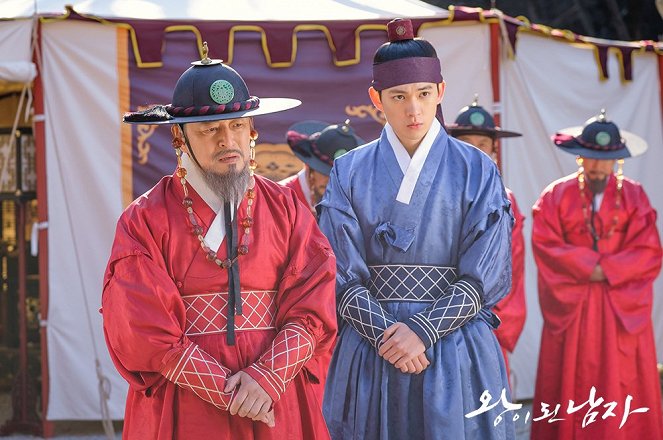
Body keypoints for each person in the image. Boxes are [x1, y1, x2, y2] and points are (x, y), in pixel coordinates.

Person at [101, 44, 338, 440]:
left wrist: (266, 378)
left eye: (237, 126)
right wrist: (230, 393)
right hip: (188, 403)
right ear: (179, 136)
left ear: (253, 131)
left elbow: (315, 304)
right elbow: (141, 325)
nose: (227, 140)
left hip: (274, 394)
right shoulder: (144, 219)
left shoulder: (287, 209)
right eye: (210, 130)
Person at [319, 18, 515, 439]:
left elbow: (487, 270)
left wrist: (424, 331)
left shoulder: (477, 168)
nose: (414, 109)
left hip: (454, 346)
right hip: (374, 348)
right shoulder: (348, 170)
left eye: (425, 94)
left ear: (440, 92)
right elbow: (337, 269)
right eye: (399, 96)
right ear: (376, 98)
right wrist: (389, 338)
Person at [530, 110, 663, 439]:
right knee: (569, 376)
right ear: (580, 156)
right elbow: (545, 244)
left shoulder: (634, 195)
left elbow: (648, 250)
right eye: (590, 158)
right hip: (574, 307)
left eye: (606, 160)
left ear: (618, 160)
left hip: (620, 308)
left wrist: (607, 270)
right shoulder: (555, 196)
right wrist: (592, 267)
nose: (597, 167)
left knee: (623, 379)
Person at [447, 97, 527, 375]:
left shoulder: (506, 201)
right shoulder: (433, 193)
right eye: (467, 142)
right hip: (435, 319)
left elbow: (511, 268)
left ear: (494, 150)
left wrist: (489, 318)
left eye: (482, 145)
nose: (475, 151)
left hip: (486, 317)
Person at [281, 120, 364, 215]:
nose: (332, 181)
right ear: (309, 167)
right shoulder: (281, 198)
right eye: (325, 173)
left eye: (339, 176)